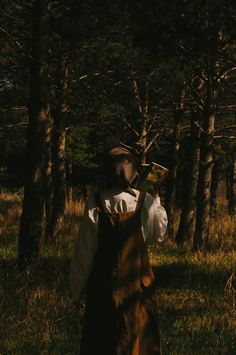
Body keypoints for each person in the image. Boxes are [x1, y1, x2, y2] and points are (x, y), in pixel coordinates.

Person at [70, 146, 168, 355]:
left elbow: (84, 252)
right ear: (133, 172)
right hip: (138, 284)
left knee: (102, 339)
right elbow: (156, 235)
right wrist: (156, 198)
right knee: (138, 341)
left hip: (103, 285)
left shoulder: (95, 202)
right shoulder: (145, 201)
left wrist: (76, 293)